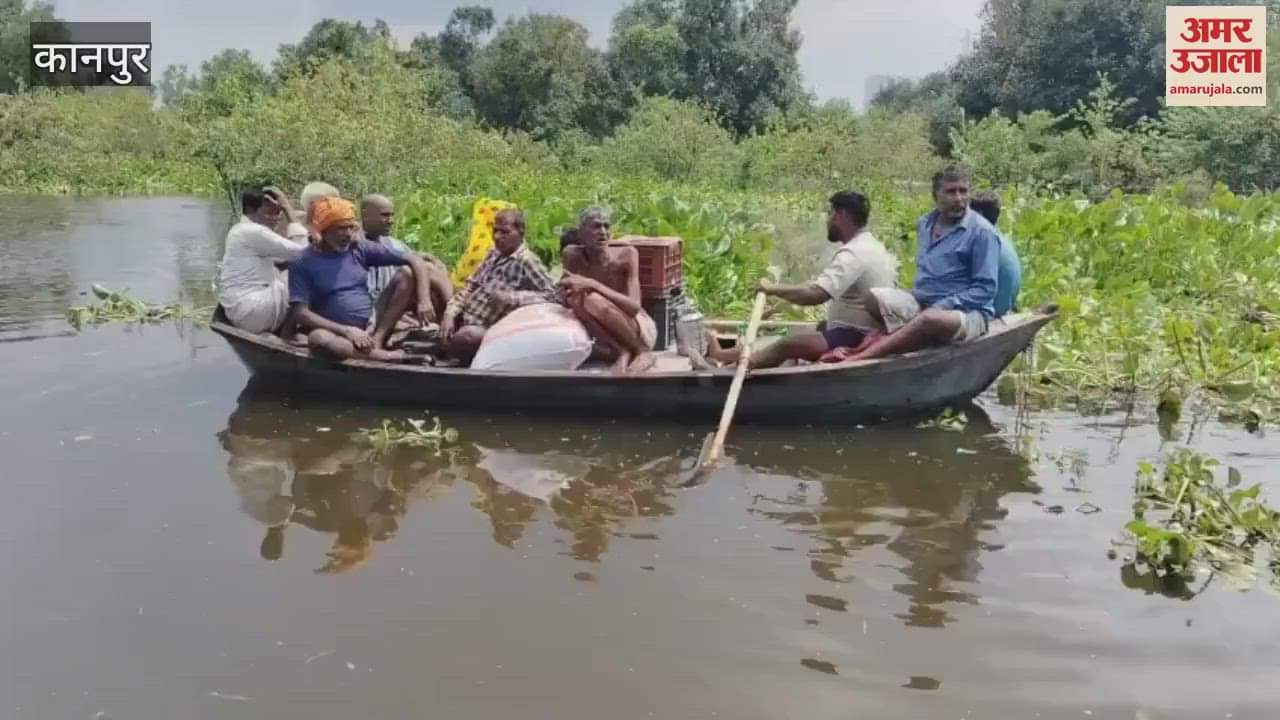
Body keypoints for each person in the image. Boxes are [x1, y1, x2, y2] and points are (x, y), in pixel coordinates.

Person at [701, 191, 899, 369]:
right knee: (805, 332)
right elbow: (818, 286)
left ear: (841, 215)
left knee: (789, 344)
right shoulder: (872, 245)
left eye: (830, 214)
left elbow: (816, 294)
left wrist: (771, 288)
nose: (828, 221)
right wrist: (779, 302)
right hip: (852, 331)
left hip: (856, 336)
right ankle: (722, 355)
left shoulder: (855, 252)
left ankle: (731, 371)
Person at [838, 166, 999, 362]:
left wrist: (944, 305)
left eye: (963, 191)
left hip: (967, 314)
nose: (958, 198)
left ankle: (863, 356)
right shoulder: (925, 224)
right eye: (950, 191)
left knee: (929, 319)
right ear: (935, 195)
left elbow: (986, 289)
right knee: (873, 297)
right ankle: (913, 337)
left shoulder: (982, 232)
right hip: (922, 304)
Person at [283, 197, 438, 362]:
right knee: (319, 339)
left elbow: (414, 259)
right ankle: (389, 357)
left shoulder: (358, 248)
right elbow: (300, 313)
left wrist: (424, 299)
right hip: (338, 332)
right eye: (341, 228)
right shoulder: (303, 261)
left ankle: (377, 342)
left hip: (372, 323)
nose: (348, 234)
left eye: (351, 227)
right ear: (324, 230)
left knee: (406, 274)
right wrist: (347, 331)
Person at [439, 209, 558, 361]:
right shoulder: (494, 254)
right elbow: (471, 285)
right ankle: (443, 343)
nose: (497, 237)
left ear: (520, 232)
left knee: (466, 338)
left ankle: (446, 348)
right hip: (466, 316)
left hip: (489, 329)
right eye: (495, 231)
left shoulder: (526, 261)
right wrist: (450, 313)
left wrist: (513, 297)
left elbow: (553, 295)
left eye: (504, 232)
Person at [559, 207, 658, 374]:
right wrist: (563, 293)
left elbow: (634, 308)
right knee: (576, 300)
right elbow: (565, 294)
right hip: (606, 335)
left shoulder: (626, 255)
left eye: (607, 226)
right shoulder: (571, 255)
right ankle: (622, 351)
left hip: (638, 328)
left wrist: (594, 285)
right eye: (596, 227)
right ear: (581, 233)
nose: (603, 232)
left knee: (593, 300)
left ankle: (642, 351)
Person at [218, 187, 309, 334]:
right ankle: (290, 333)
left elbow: (281, 257)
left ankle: (287, 328)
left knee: (287, 272)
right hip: (253, 311)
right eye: (268, 213)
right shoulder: (254, 231)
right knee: (307, 275)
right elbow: (303, 254)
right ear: (250, 209)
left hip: (242, 311)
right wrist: (287, 208)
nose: (276, 219)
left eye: (277, 213)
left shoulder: (239, 229)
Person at [360, 193, 452, 313]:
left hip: (390, 302)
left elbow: (415, 258)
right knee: (411, 272)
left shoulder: (395, 244)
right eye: (385, 215)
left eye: (392, 215)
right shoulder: (353, 244)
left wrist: (434, 261)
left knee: (428, 268)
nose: (391, 221)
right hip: (367, 306)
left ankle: (453, 311)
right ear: (366, 215)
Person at [969, 190, 1022, 318]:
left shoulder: (983, 242)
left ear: (979, 215)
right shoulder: (1001, 238)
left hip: (990, 313)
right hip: (1005, 307)